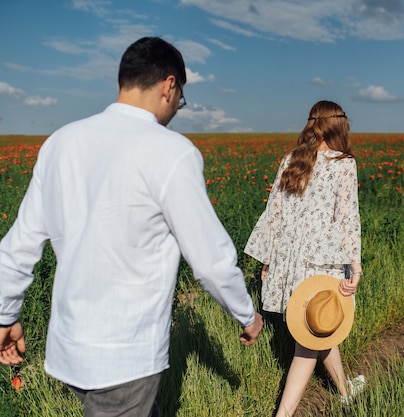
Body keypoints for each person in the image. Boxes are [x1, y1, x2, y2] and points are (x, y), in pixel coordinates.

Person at [0, 36, 263, 417]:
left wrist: (5, 315)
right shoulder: (171, 152)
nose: (176, 108)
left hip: (70, 348)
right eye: (180, 99)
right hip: (123, 356)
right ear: (169, 86)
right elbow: (210, 261)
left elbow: (18, 246)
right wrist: (246, 314)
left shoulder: (61, 143)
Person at [244, 100, 365, 416]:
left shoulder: (291, 161)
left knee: (319, 321)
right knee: (308, 342)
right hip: (319, 263)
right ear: (338, 125)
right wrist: (356, 266)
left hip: (289, 260)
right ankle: (283, 415)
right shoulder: (343, 163)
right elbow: (348, 218)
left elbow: (274, 214)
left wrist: (269, 261)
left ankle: (345, 389)